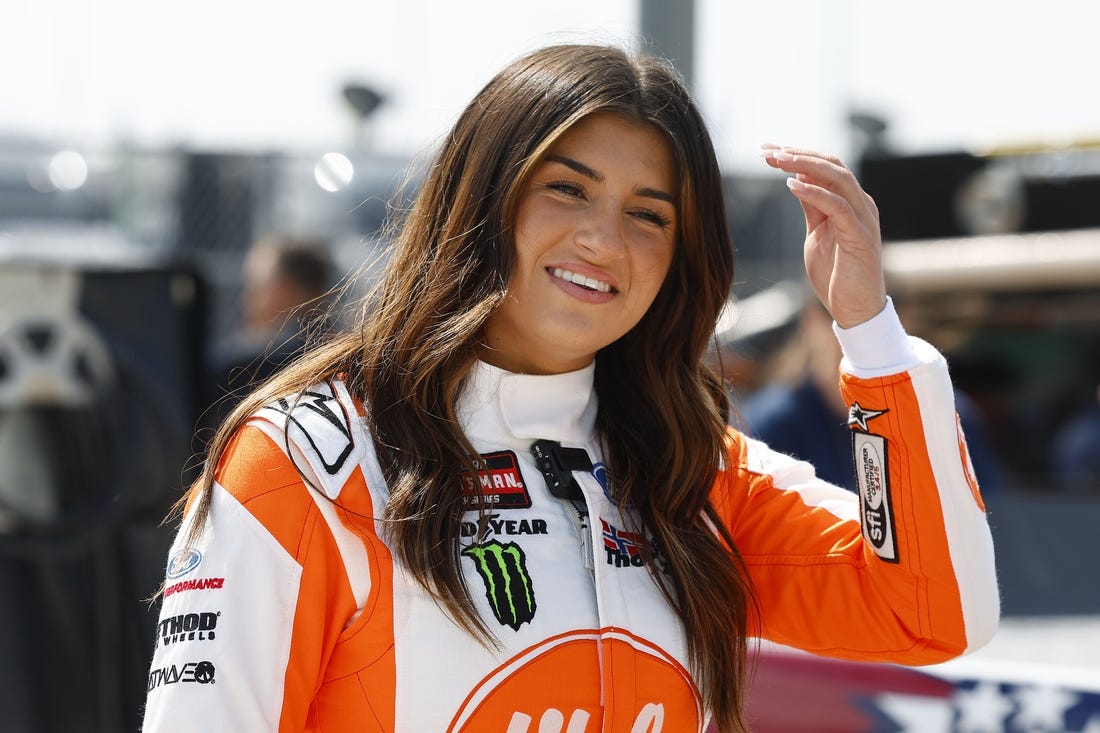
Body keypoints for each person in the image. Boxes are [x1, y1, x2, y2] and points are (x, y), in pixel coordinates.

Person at [141, 44, 999, 733]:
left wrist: (872, 336)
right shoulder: (310, 462)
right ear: (483, 200)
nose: (603, 239)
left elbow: (939, 608)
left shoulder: (690, 473)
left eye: (649, 214)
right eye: (567, 189)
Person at [738, 294, 1005, 493]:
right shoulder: (768, 426)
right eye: (838, 310)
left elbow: (989, 516)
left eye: (881, 309)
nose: (861, 328)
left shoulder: (945, 414)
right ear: (811, 320)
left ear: (905, 321)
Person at [201, 233, 337, 433]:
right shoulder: (340, 342)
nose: (246, 298)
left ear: (289, 290)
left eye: (257, 287)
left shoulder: (267, 360)